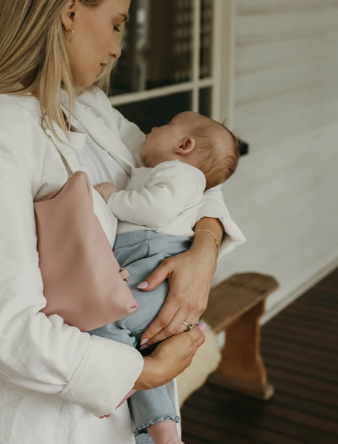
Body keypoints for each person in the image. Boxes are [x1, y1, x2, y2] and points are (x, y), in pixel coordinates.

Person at [0, 0, 246, 444]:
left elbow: (191, 177)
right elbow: (3, 330)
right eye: (116, 24)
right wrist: (144, 374)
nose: (119, 48)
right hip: (41, 424)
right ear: (70, 10)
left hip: (124, 416)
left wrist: (203, 252)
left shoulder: (89, 109)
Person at [90, 111, 243, 443]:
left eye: (165, 126)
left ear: (184, 145)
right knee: (145, 355)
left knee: (106, 316)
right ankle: (164, 431)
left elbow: (154, 210)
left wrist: (112, 198)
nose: (153, 127)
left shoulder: (178, 172)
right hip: (148, 259)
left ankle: (122, 382)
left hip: (153, 258)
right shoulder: (179, 172)